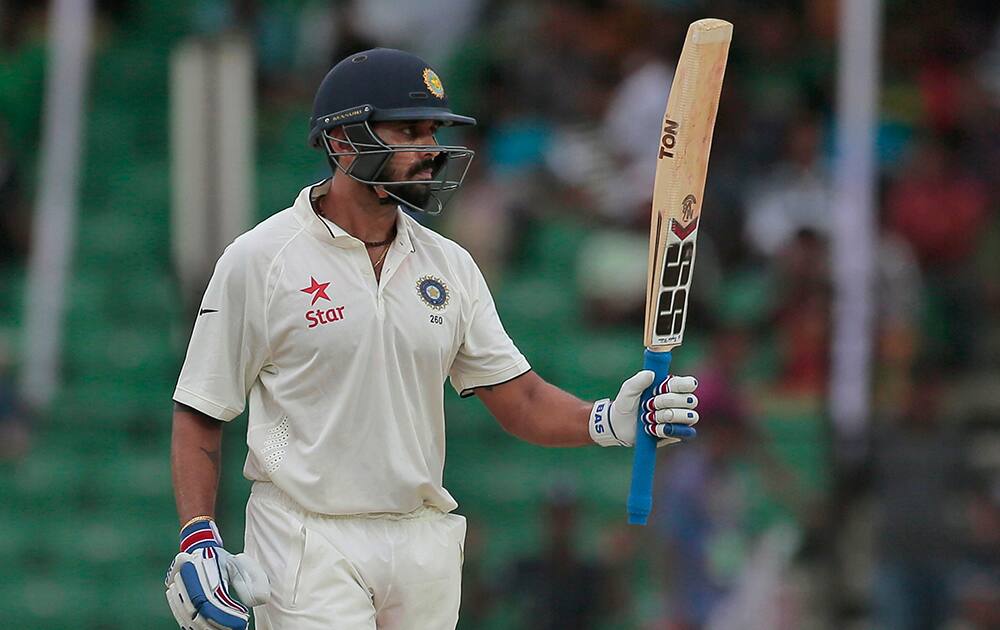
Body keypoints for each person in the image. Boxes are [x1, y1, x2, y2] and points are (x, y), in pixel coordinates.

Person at [164, 48, 701, 630]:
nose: (430, 149)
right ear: (343, 142)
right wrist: (199, 536)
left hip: (423, 541)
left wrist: (609, 420)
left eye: (433, 131)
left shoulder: (450, 267)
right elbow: (201, 410)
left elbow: (517, 399)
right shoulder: (259, 260)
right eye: (409, 131)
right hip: (305, 535)